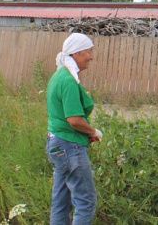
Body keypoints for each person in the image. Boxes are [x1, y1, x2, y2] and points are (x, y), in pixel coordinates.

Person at [46, 33, 103, 225]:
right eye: (88, 51)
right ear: (77, 53)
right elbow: (74, 120)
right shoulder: (69, 81)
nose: (91, 56)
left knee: (61, 203)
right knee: (85, 201)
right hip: (70, 147)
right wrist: (93, 132)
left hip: (57, 145)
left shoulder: (59, 76)